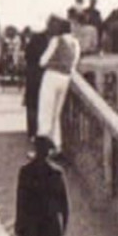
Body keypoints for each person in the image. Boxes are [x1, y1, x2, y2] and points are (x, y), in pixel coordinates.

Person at [37, 16, 80, 150]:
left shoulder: (56, 40)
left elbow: (42, 61)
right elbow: (73, 65)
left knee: (45, 113)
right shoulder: (75, 43)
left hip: (51, 76)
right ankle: (57, 145)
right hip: (65, 78)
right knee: (56, 114)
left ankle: (42, 150)